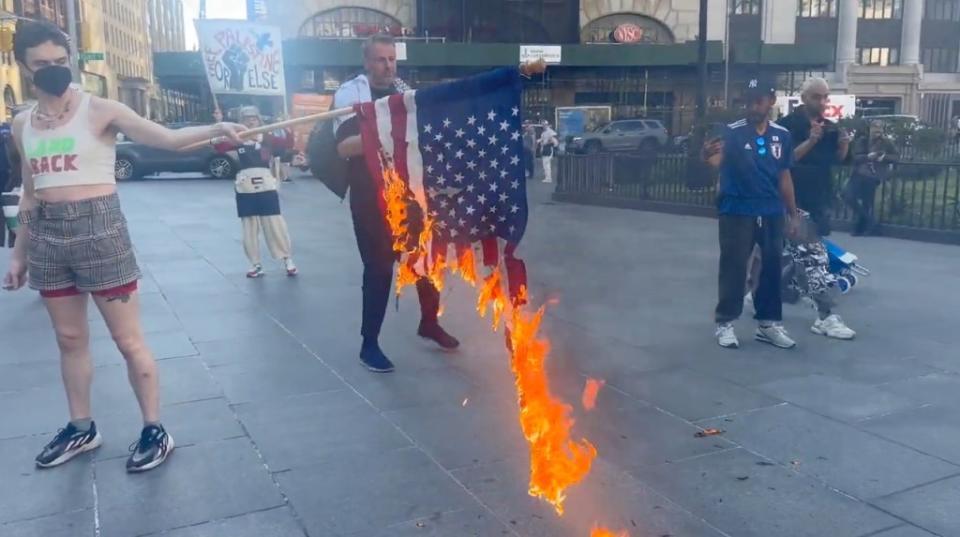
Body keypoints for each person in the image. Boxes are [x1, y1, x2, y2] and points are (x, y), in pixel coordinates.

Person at [2, 20, 245, 472]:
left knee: (127, 340)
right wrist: (19, 254)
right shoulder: (22, 125)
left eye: (60, 61)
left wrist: (218, 130)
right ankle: (81, 428)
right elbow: (31, 191)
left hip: (100, 228)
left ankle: (154, 428)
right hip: (49, 238)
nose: (54, 70)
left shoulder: (100, 110)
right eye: (42, 64)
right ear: (23, 65)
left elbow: (167, 139)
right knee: (69, 338)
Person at [332, 34, 459, 373]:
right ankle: (368, 343)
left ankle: (429, 322)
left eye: (391, 59)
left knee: (426, 260)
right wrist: (389, 134)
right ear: (366, 62)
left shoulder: (403, 92)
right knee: (379, 269)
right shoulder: (350, 96)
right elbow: (345, 148)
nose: (387, 66)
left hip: (408, 193)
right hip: (369, 196)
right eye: (380, 60)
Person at [704, 77, 801, 350]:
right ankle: (725, 322)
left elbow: (784, 176)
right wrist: (707, 156)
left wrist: (792, 214)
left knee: (771, 268)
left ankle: (768, 324)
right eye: (749, 100)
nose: (753, 106)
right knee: (734, 267)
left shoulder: (782, 135)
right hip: (737, 209)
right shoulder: (732, 132)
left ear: (771, 101)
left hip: (771, 210)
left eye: (759, 100)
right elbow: (716, 161)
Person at [215, 106, 298, 278]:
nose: (250, 120)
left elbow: (287, 144)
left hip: (266, 183)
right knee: (249, 227)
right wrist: (219, 122)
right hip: (245, 185)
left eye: (253, 117)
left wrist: (287, 127)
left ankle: (287, 259)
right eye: (246, 117)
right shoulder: (237, 139)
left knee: (275, 223)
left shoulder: (266, 137)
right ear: (241, 120)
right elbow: (219, 146)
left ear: (259, 119)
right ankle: (255, 263)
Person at [778, 77, 851, 236]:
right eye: (816, 97)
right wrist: (811, 141)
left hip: (820, 196)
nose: (822, 102)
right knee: (789, 243)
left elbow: (838, 159)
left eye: (825, 97)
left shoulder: (830, 126)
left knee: (817, 246)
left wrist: (844, 145)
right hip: (794, 195)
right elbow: (786, 159)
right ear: (804, 98)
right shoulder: (785, 125)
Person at [844, 122, 897, 236]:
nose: (877, 134)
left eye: (879, 131)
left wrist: (883, 157)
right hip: (858, 174)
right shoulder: (862, 141)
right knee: (848, 196)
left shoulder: (887, 142)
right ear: (870, 130)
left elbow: (896, 156)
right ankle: (871, 222)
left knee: (867, 203)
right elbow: (855, 157)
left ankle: (863, 226)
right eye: (875, 131)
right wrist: (867, 156)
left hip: (873, 176)